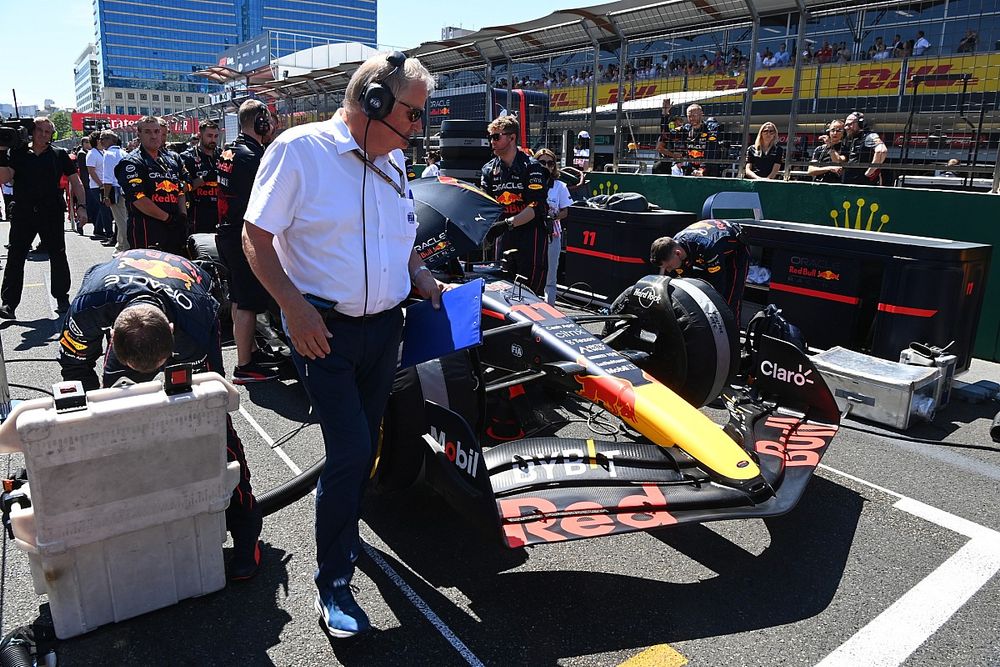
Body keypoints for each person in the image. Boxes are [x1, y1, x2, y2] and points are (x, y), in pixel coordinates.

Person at [242, 51, 445, 639]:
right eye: (411, 113)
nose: (417, 126)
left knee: (361, 448)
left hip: (385, 331)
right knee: (353, 450)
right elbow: (256, 237)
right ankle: (333, 579)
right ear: (375, 101)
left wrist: (420, 275)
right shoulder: (298, 151)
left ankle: (346, 536)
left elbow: (399, 237)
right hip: (322, 331)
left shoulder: (396, 160)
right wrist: (293, 307)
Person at [57, 249, 263, 580]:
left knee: (212, 423)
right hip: (124, 300)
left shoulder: (195, 324)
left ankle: (246, 525)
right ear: (112, 336)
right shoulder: (87, 308)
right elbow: (74, 367)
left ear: (169, 329)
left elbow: (213, 402)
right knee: (114, 407)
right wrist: (95, 426)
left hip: (188, 293)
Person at [216, 101, 281, 385]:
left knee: (238, 297)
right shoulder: (252, 155)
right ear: (261, 122)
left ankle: (249, 350)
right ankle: (244, 365)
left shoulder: (229, 150)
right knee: (248, 302)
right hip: (243, 234)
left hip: (227, 230)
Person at [0, 117, 88, 319]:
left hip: (51, 212)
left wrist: (81, 207)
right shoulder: (18, 153)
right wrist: (2, 151)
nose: (43, 134)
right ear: (31, 131)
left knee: (58, 255)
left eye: (47, 132)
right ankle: (9, 304)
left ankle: (62, 298)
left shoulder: (59, 154)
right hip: (23, 212)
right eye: (39, 130)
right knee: (15, 257)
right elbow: (3, 177)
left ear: (52, 135)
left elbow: (76, 182)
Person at [481, 115, 550, 294]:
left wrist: (506, 224)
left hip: (530, 234)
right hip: (503, 235)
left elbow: (536, 206)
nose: (492, 142)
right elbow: (486, 204)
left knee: (529, 291)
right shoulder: (489, 169)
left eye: (496, 137)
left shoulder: (532, 167)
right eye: (490, 137)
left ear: (512, 137)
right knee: (501, 287)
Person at [650, 219, 750, 322]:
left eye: (668, 266)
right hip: (708, 244)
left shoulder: (708, 247)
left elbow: (718, 287)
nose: (669, 270)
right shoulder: (675, 245)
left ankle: (732, 335)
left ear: (678, 253)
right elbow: (686, 281)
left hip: (735, 249)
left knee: (728, 302)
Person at [114, 116, 189, 254]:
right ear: (139, 134)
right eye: (148, 132)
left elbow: (180, 189)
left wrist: (182, 216)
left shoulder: (171, 160)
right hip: (147, 230)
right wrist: (167, 218)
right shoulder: (131, 163)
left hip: (174, 228)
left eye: (156, 131)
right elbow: (138, 198)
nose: (154, 136)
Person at [535, 148, 571, 306]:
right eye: (542, 162)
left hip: (552, 233)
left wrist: (553, 216)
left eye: (550, 163)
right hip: (532, 232)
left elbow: (566, 211)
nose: (547, 166)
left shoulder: (560, 186)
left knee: (551, 275)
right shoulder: (529, 183)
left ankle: (550, 308)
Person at [180, 120, 221, 234]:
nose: (213, 140)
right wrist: (205, 178)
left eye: (216, 136)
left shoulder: (222, 155)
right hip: (198, 214)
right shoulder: (187, 157)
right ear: (200, 135)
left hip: (220, 212)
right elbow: (183, 187)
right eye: (209, 136)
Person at [664, 103, 723, 177]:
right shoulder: (686, 129)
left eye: (694, 115)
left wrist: (702, 169)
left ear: (701, 114)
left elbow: (711, 151)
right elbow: (667, 135)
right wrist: (665, 114)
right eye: (689, 116)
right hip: (691, 168)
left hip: (709, 170)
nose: (692, 118)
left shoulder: (710, 128)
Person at [100, 130, 128, 252]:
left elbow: (108, 178)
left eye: (104, 138)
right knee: (124, 218)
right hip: (126, 189)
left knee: (120, 220)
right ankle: (121, 244)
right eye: (101, 138)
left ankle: (125, 246)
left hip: (116, 189)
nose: (101, 141)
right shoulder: (123, 152)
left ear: (112, 140)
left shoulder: (108, 154)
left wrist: (106, 196)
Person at [843, 111, 888, 185]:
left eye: (850, 124)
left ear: (860, 124)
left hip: (863, 185)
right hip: (850, 183)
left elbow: (881, 151)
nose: (847, 128)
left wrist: (869, 172)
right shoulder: (852, 139)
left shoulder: (869, 136)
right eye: (846, 125)